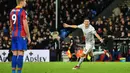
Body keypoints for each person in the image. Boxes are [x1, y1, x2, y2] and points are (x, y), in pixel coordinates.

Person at [10, 0, 31, 73]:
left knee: (15, 53)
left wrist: (12, 33)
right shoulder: (22, 11)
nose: (26, 2)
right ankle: (19, 72)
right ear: (21, 2)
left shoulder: (12, 11)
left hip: (14, 34)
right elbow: (25, 25)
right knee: (21, 53)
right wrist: (28, 36)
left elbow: (11, 25)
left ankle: (13, 72)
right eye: (25, 1)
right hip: (21, 34)